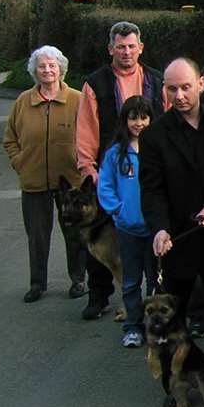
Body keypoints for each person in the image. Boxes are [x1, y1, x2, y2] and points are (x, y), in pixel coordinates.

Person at [141, 58, 204, 388]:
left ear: (201, 84)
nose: (180, 95)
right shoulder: (155, 134)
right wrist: (159, 228)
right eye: (173, 89)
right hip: (178, 239)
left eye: (186, 87)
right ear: (164, 90)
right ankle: (174, 383)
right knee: (173, 318)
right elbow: (151, 189)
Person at [76, 21, 164, 320]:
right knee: (101, 240)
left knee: (154, 246)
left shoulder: (156, 79)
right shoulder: (95, 83)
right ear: (110, 49)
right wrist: (89, 167)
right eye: (120, 47)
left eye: (131, 46)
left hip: (151, 171)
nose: (126, 52)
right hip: (109, 171)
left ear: (140, 48)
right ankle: (99, 296)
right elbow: (87, 127)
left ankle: (154, 303)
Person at [4, 45, 84, 303]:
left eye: (52, 65)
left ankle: (78, 280)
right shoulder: (23, 101)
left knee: (74, 233)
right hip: (34, 180)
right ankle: (37, 283)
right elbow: (10, 139)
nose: (47, 70)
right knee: (37, 235)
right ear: (34, 71)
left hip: (70, 182)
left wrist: (82, 165)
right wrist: (20, 163)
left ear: (61, 68)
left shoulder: (78, 99)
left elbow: (90, 138)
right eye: (42, 66)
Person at [96, 96, 155, 348]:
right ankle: (133, 326)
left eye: (143, 117)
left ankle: (155, 326)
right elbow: (105, 186)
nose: (139, 123)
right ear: (125, 120)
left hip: (155, 229)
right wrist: (119, 210)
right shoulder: (115, 153)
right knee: (131, 280)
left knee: (156, 281)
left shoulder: (158, 149)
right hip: (128, 228)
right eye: (133, 118)